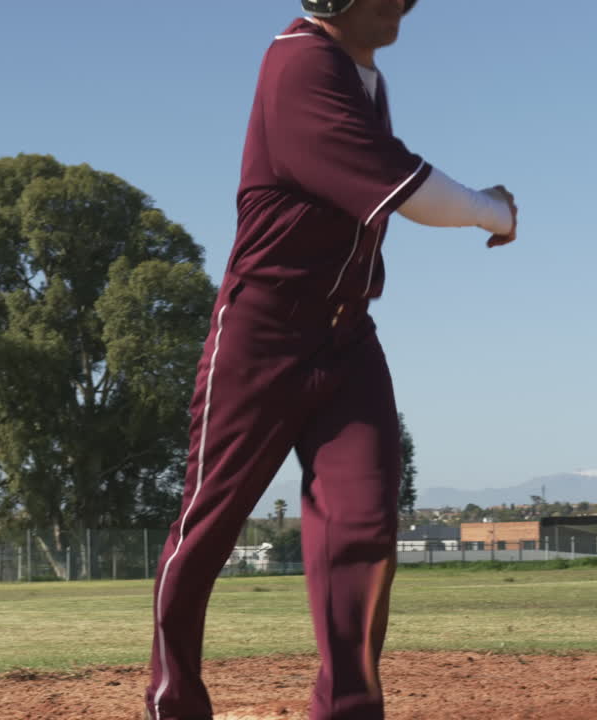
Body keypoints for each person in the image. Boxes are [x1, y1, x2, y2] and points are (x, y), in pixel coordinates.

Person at [145, 1, 517, 718]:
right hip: (264, 332)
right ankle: (175, 699)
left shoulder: (359, 74)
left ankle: (347, 709)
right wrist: (492, 208)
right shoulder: (300, 63)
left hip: (348, 336)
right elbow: (400, 183)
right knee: (208, 522)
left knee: (364, 518)